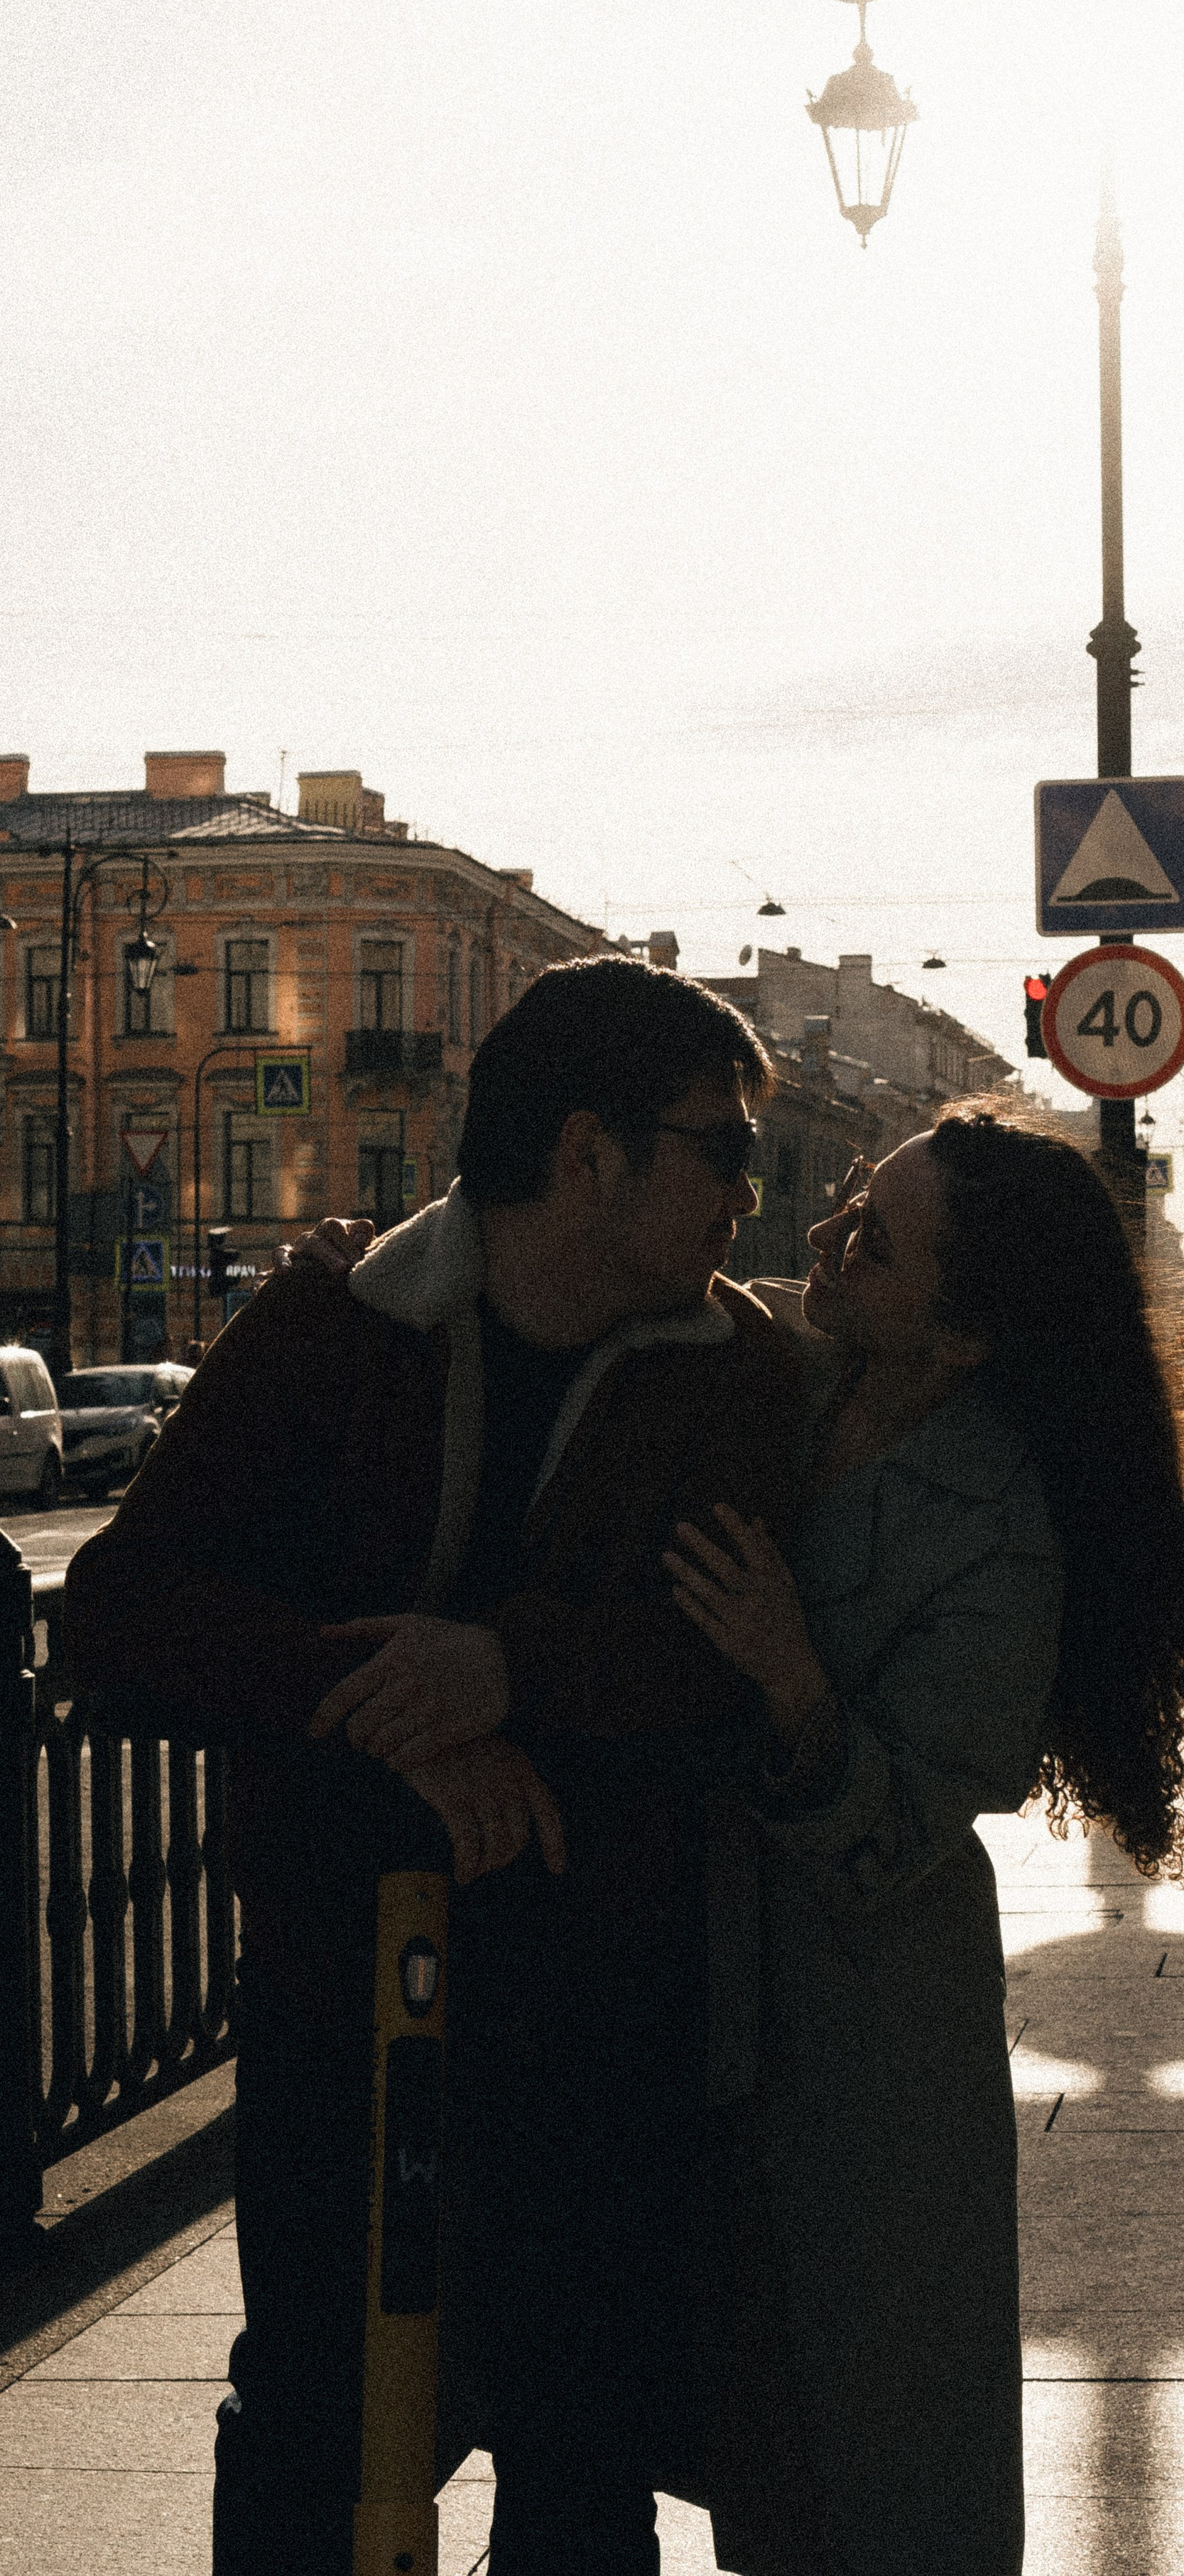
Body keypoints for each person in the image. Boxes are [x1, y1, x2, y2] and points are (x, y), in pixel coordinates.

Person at [63, 956, 804, 2576]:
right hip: (340, 1986)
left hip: (601, 2003)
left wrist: (508, 1666)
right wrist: (398, 1701)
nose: (746, 1190)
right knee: (313, 2419)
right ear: (589, 1153)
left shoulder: (738, 1373)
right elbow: (115, 1613)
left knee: (582, 2444)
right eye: (718, 1146)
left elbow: (722, 1658)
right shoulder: (340, 1323)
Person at [663, 1108, 1184, 2576]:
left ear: (963, 1335)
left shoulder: (997, 1524)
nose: (829, 1240)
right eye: (847, 1205)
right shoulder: (780, 1367)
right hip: (689, 1982)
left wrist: (790, 1677)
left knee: (880, 2444)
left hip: (865, 2029)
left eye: (874, 1240)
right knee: (729, 2416)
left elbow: (905, 1822)